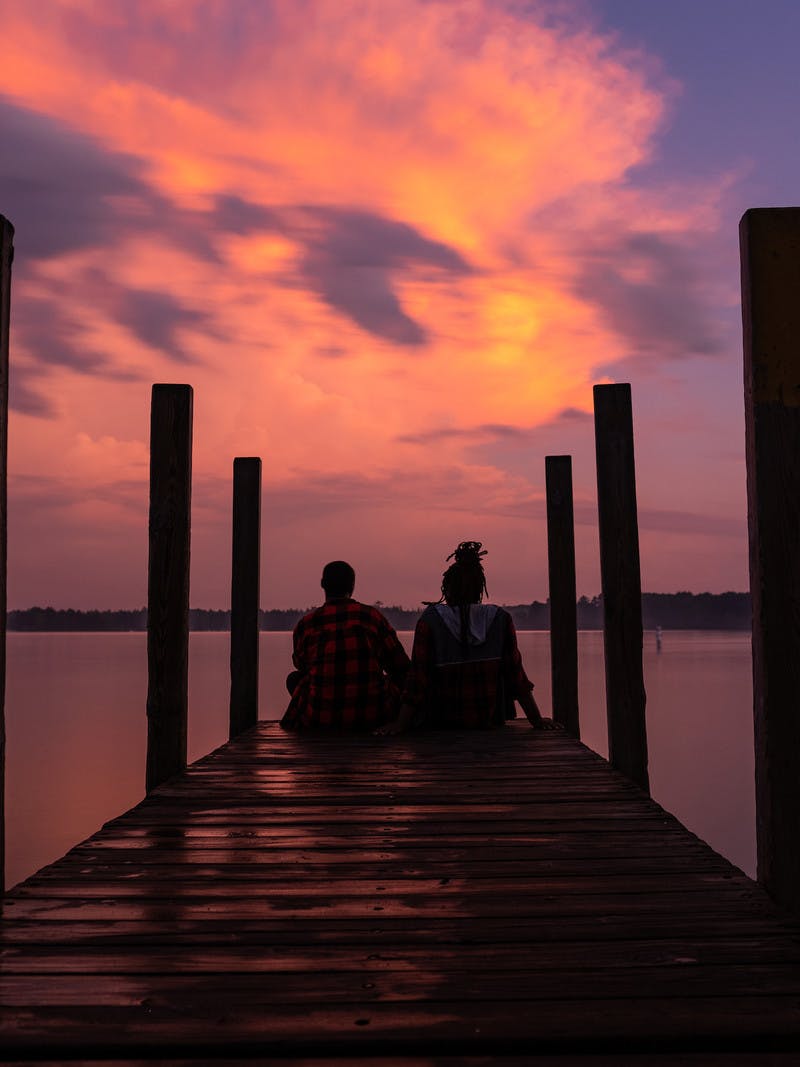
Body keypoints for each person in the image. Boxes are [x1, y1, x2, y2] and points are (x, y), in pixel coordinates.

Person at [376, 541, 555, 735]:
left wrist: (401, 725)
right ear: (480, 589)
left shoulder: (430, 621)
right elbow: (516, 676)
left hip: (439, 723)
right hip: (489, 721)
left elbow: (417, 680)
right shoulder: (500, 619)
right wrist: (536, 720)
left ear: (447, 589)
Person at [281, 560, 410, 731]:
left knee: (294, 679)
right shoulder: (372, 617)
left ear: (322, 584)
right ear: (352, 585)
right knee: (401, 677)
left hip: (320, 718)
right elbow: (400, 664)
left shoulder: (306, 624)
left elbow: (301, 664)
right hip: (374, 716)